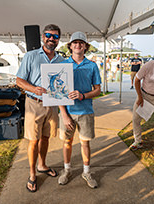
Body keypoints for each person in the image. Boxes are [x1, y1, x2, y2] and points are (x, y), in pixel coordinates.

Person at [16, 24, 64, 192]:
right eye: (49, 35)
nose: (52, 39)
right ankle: (32, 174)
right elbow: (19, 81)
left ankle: (42, 165)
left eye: (55, 36)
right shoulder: (30, 56)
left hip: (52, 105)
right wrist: (33, 88)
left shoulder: (61, 60)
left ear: (58, 39)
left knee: (46, 138)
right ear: (43, 37)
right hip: (34, 103)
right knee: (33, 140)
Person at [58, 31, 101, 189]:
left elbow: (97, 90)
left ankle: (86, 172)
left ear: (85, 47)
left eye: (81, 43)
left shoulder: (92, 65)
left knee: (85, 143)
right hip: (67, 112)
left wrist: (83, 95)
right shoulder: (63, 65)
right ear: (70, 46)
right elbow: (58, 93)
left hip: (85, 112)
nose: (78, 45)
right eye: (74, 43)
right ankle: (67, 170)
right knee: (67, 142)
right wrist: (64, 114)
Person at [130, 50, 154, 156]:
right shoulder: (150, 65)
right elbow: (137, 80)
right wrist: (140, 97)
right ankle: (138, 141)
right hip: (145, 95)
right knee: (136, 119)